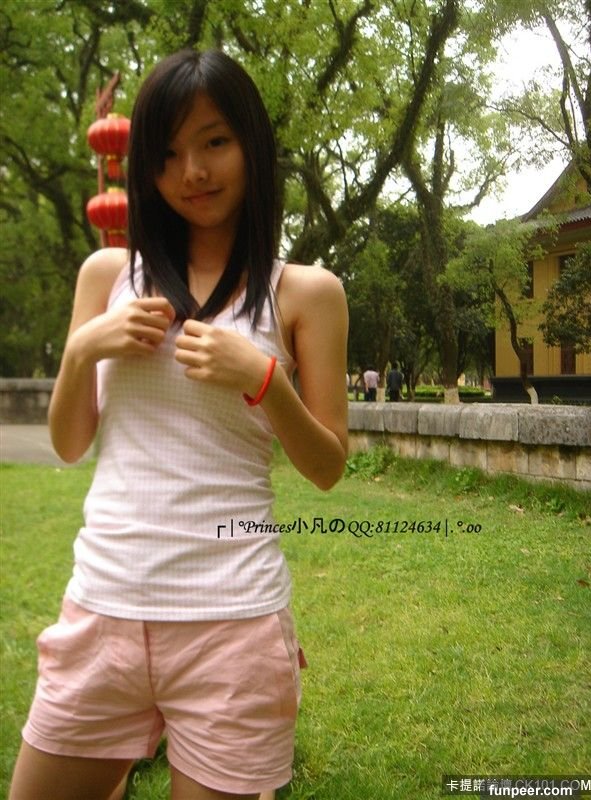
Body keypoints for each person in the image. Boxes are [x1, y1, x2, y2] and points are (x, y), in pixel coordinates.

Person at [9, 48, 348, 800]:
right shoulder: (107, 277)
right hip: (103, 608)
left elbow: (328, 466)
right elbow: (70, 444)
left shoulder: (306, 293)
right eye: (166, 154)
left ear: (251, 144)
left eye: (214, 142)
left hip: (233, 624)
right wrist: (83, 350)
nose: (192, 171)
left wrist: (263, 379)